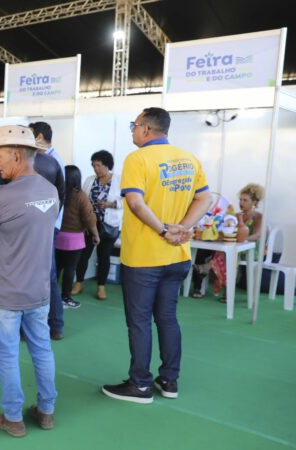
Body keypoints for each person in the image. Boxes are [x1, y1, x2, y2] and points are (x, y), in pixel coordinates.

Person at [102, 107, 211, 404]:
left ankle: (140, 385)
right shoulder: (188, 159)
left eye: (134, 126)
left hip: (144, 258)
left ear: (146, 129)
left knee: (139, 321)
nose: (133, 131)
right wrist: (183, 229)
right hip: (178, 255)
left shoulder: (137, 159)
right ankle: (169, 380)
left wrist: (165, 230)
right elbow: (205, 197)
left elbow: (135, 204)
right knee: (167, 318)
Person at [0, 125, 59, 437]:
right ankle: (46, 411)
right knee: (42, 349)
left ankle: (13, 417)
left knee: (8, 354)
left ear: (16, 155)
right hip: (39, 289)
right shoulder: (50, 192)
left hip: (7, 290)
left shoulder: (3, 196)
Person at [29, 121, 67, 340]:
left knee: (47, 275)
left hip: (46, 225)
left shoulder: (50, 161)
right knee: (45, 274)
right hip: (48, 224)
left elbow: (58, 197)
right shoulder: (51, 159)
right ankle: (53, 324)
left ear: (40, 136)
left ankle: (54, 324)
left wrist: (48, 221)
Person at [74, 150, 124, 300]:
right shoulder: (89, 180)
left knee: (104, 257)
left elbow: (127, 201)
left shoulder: (119, 180)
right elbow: (82, 199)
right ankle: (79, 282)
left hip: (109, 225)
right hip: (90, 225)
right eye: (93, 165)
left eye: (98, 165)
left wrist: (110, 204)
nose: (96, 168)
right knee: (83, 255)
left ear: (107, 165)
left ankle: (101, 287)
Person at [205, 183, 265, 301]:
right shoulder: (235, 215)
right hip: (236, 247)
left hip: (251, 249)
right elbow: (227, 230)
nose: (241, 203)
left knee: (230, 254)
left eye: (245, 200)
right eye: (240, 200)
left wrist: (243, 239)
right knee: (226, 251)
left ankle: (208, 269)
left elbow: (257, 235)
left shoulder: (258, 217)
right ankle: (227, 289)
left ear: (254, 202)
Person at [56, 165, 99, 309]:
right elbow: (89, 219)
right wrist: (95, 234)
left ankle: (51, 297)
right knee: (70, 269)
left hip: (56, 236)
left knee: (55, 269)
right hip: (74, 239)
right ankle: (65, 297)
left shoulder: (57, 192)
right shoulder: (80, 195)